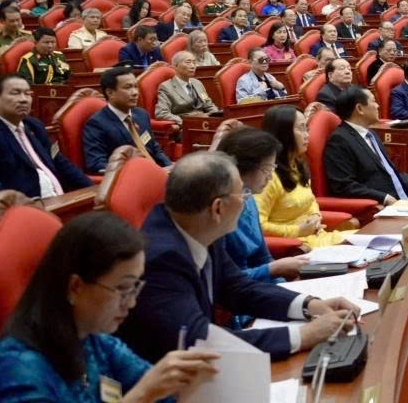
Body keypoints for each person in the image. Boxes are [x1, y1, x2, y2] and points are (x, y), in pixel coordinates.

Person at [116, 151, 361, 361]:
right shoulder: (161, 259)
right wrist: (303, 335)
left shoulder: (198, 229)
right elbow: (199, 341)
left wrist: (309, 305)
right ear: (218, 208)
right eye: (243, 196)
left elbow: (239, 289)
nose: (246, 204)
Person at [0, 211, 221, 402]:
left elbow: (158, 389)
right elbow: (146, 390)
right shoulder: (18, 370)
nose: (132, 303)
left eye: (135, 288)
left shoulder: (95, 340)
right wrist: (141, 396)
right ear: (75, 287)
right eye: (122, 289)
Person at [0, 73, 92, 200]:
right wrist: (21, 206)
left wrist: (91, 188)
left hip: (60, 200)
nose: (24, 99)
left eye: (28, 94)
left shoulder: (34, 125)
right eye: (15, 93)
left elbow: (59, 160)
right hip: (28, 206)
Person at [217, 128, 309, 283]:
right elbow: (226, 282)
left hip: (262, 286)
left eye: (273, 168)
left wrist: (287, 284)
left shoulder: (250, 199)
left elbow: (262, 257)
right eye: (267, 169)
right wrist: (275, 269)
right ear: (242, 168)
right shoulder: (219, 210)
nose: (271, 176)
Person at [259, 105, 352, 248]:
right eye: (301, 129)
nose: (307, 135)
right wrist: (297, 231)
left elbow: (311, 200)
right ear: (283, 133)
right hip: (297, 248)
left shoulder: (296, 164)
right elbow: (258, 227)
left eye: (306, 129)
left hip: (318, 236)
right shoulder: (267, 177)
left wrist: (315, 216)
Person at [323, 86, 408, 203]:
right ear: (360, 109)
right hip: (383, 208)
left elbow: (388, 170)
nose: (378, 105)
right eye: (373, 101)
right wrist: (384, 198)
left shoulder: (371, 134)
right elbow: (344, 186)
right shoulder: (339, 141)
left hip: (405, 201)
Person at [84, 66, 172, 172]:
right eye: (128, 87)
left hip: (156, 172)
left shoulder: (141, 114)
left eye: (136, 87)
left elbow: (154, 148)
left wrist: (170, 167)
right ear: (110, 93)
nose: (135, 92)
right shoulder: (97, 123)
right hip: (130, 178)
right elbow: (97, 163)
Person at [155, 51, 221, 124]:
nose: (193, 66)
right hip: (186, 127)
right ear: (175, 66)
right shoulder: (166, 87)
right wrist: (184, 122)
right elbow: (161, 113)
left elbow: (209, 105)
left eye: (194, 62)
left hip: (205, 123)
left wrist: (217, 117)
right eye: (188, 62)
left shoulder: (197, 83)